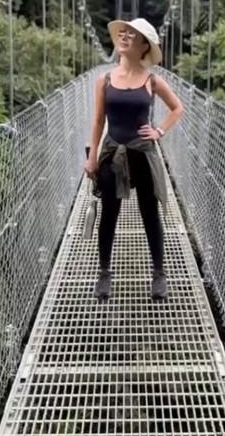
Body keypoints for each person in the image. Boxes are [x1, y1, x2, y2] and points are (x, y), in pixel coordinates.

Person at [83, 17, 184, 301]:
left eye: (132, 35)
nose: (125, 36)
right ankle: (104, 273)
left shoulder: (152, 80)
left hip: (143, 152)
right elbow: (98, 121)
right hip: (113, 152)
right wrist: (92, 158)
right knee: (109, 214)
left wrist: (159, 130)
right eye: (123, 33)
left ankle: (159, 274)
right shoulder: (104, 80)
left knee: (149, 213)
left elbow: (178, 108)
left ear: (143, 46)